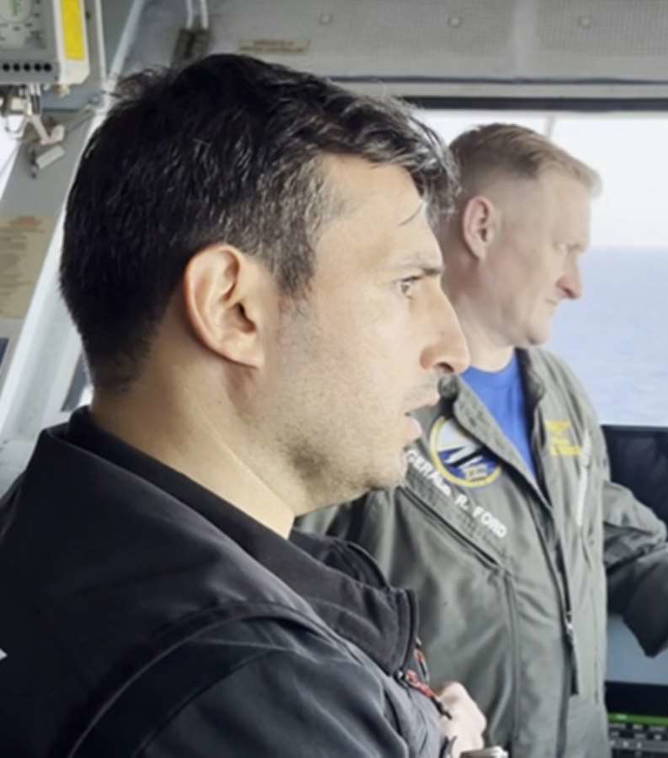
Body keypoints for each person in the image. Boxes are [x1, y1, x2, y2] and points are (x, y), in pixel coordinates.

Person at [0, 54, 487, 756]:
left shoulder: (47, 525)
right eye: (406, 284)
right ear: (233, 308)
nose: (454, 350)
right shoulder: (250, 684)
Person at [299, 124, 668, 757]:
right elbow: (288, 592)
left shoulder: (558, 389)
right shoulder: (373, 395)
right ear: (481, 227)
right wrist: (403, 715)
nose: (575, 284)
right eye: (563, 249)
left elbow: (590, 520)